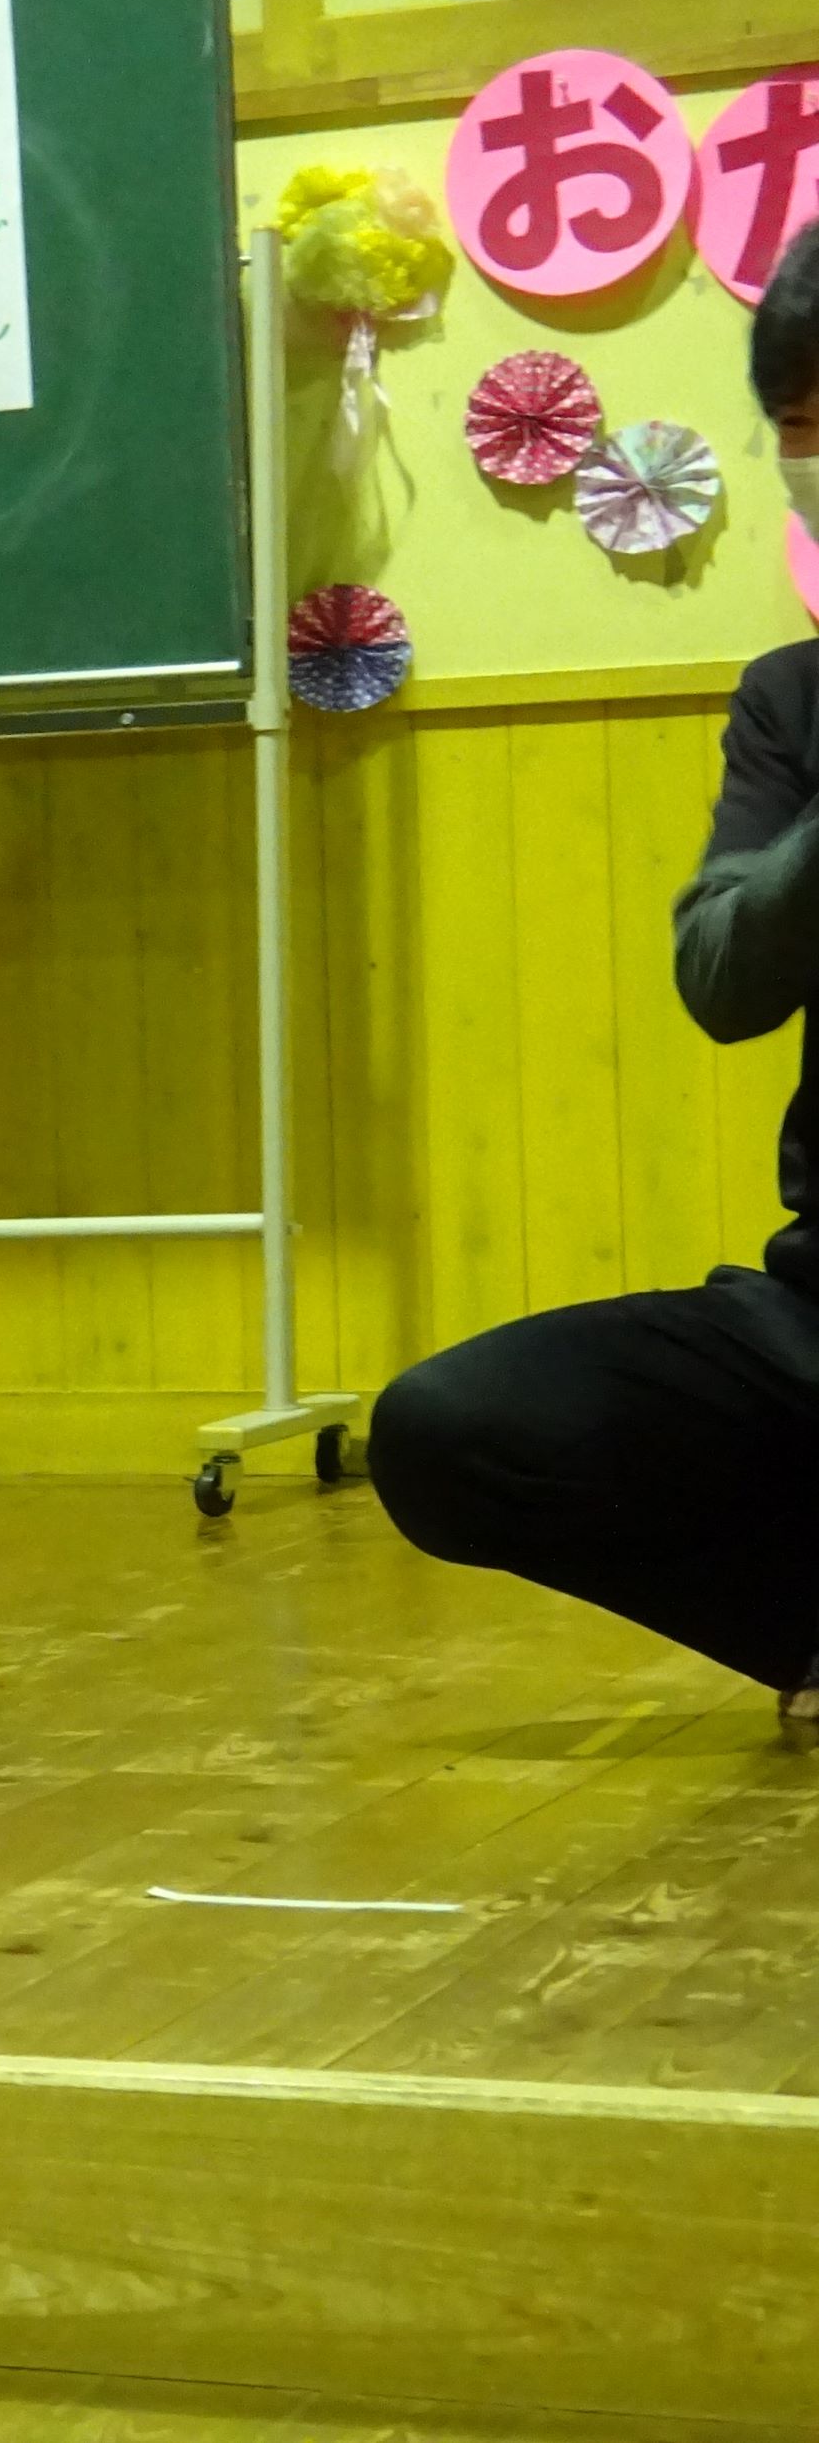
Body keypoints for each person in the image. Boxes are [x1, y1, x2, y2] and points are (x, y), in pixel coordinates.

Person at [371, 218, 819, 1727]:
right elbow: (722, 980)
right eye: (801, 427)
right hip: (812, 1322)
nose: (815, 459)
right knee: (452, 1429)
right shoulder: (792, 703)